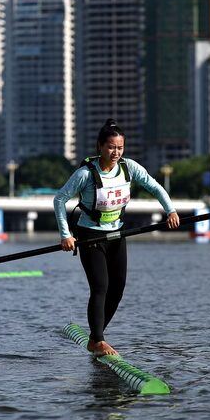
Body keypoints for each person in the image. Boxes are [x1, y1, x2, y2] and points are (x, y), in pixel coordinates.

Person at [54, 118, 180, 357]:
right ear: (100, 146)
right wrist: (65, 235)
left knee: (118, 287)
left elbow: (155, 187)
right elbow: (60, 199)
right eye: (111, 147)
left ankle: (95, 337)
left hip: (117, 234)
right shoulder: (85, 173)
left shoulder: (129, 167)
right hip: (90, 236)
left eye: (120, 148)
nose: (116, 152)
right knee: (100, 287)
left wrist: (170, 210)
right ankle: (99, 340)